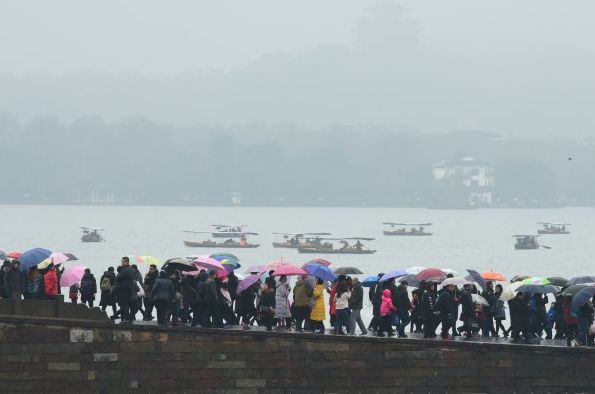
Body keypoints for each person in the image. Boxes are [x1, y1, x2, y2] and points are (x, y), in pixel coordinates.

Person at [115, 257, 135, 324]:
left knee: (124, 305)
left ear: (126, 262)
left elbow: (117, 278)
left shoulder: (123, 270)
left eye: (122, 262)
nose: (121, 263)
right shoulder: (132, 270)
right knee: (127, 304)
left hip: (122, 290)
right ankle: (128, 319)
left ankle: (127, 319)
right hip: (129, 289)